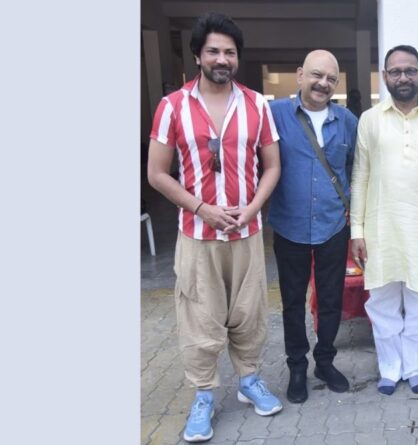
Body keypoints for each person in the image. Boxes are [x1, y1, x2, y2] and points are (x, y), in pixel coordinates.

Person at [147, 12, 282, 442]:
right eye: (213, 51)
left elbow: (272, 166)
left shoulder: (257, 104)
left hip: (247, 233)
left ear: (237, 57)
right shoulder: (172, 107)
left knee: (249, 313)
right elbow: (156, 173)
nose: (222, 59)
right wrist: (201, 208)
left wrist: (254, 207)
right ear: (197, 56)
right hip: (197, 234)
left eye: (229, 52)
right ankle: (204, 395)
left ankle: (249, 380)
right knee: (199, 317)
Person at [350, 45, 418, 395]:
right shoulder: (370, 119)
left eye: (410, 70)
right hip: (380, 230)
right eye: (396, 71)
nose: (403, 77)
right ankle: (389, 368)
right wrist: (357, 231)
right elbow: (360, 178)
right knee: (381, 305)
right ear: (385, 77)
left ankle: (414, 367)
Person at [268, 50, 358, 404]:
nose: (323, 83)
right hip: (289, 225)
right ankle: (296, 366)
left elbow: (355, 168)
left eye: (331, 79)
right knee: (292, 301)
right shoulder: (274, 115)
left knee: (331, 298)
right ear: (300, 75)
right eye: (317, 75)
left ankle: (325, 361)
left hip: (333, 226)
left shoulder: (347, 121)